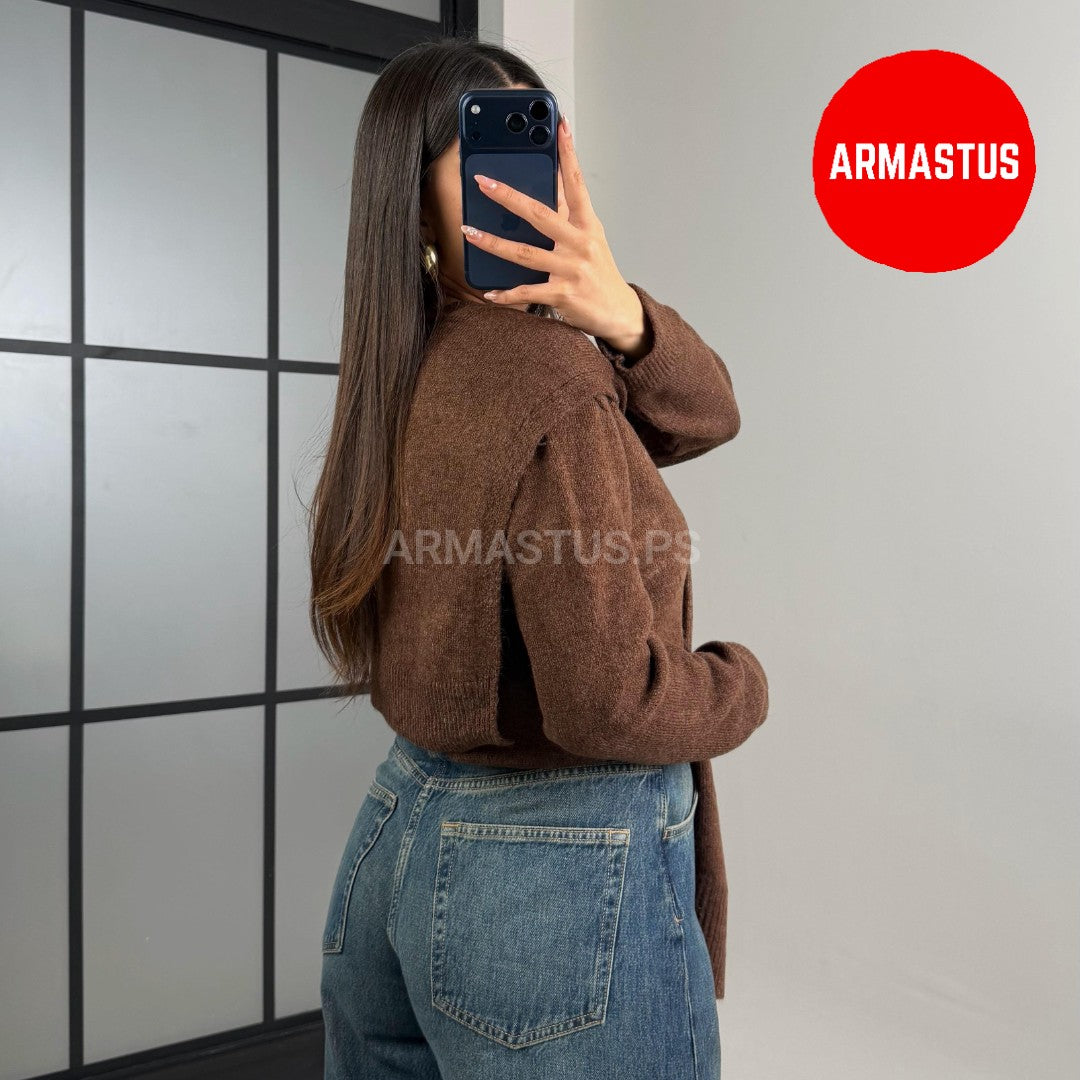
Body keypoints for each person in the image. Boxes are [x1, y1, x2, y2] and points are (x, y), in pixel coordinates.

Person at [309, 36, 769, 1080]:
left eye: (545, 140)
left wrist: (623, 316)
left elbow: (702, 416)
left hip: (399, 829)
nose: (539, 177)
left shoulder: (408, 361)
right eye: (493, 151)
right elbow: (610, 707)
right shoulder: (550, 381)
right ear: (417, 201)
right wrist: (740, 682)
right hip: (554, 867)